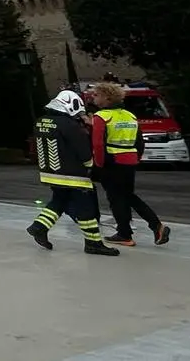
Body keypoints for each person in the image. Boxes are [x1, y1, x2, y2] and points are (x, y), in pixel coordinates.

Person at [26, 89, 119, 256]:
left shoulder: (41, 121)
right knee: (86, 208)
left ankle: (39, 227)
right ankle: (93, 243)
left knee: (59, 202)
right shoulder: (69, 125)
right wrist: (93, 167)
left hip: (49, 173)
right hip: (72, 175)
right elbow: (83, 151)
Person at [90, 82, 172, 247]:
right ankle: (125, 232)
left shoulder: (101, 117)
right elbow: (139, 142)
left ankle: (153, 226)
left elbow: (98, 144)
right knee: (126, 196)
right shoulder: (130, 116)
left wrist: (98, 165)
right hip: (129, 161)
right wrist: (136, 158)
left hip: (111, 162)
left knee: (118, 198)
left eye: (96, 94)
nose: (93, 97)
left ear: (107, 97)